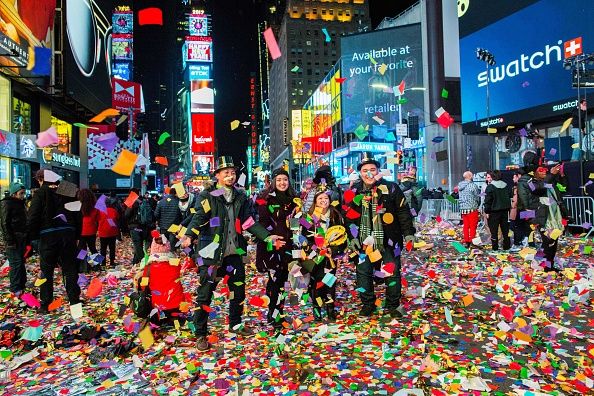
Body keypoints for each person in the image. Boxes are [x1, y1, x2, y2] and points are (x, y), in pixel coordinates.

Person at [180, 156, 285, 351]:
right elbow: (199, 218)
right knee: (205, 293)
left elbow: (248, 222)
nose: (230, 175)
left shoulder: (240, 196)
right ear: (217, 175)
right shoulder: (208, 195)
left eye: (233, 172)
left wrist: (268, 237)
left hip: (233, 252)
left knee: (238, 291)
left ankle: (235, 324)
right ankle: (201, 334)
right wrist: (188, 235)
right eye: (226, 172)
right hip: (210, 252)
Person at [344, 152, 415, 318]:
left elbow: (403, 212)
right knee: (363, 273)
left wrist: (409, 234)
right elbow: (348, 217)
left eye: (372, 170)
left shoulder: (392, 188)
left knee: (392, 272)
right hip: (363, 242)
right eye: (365, 170)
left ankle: (393, 305)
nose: (369, 173)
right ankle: (368, 304)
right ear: (360, 174)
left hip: (389, 240)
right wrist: (352, 237)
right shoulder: (353, 191)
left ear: (378, 171)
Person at [27, 170, 81, 313]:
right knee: (69, 269)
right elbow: (77, 213)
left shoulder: (40, 193)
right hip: (68, 234)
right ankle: (74, 301)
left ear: (41, 179)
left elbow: (33, 216)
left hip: (48, 235)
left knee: (47, 271)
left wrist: (32, 238)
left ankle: (46, 304)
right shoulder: (68, 190)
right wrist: (77, 235)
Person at [255, 168, 299, 330]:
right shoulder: (264, 199)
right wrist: (270, 238)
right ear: (273, 181)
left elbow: (296, 223)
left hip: (289, 245)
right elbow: (262, 222)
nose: (282, 183)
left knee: (283, 281)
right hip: (271, 246)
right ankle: (273, 314)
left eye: (285, 180)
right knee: (274, 281)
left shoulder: (295, 199)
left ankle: (277, 312)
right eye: (279, 179)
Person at [302, 190, 346, 322]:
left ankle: (330, 309)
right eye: (320, 198)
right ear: (315, 201)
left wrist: (333, 249)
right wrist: (315, 248)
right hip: (315, 256)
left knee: (330, 282)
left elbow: (342, 235)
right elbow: (303, 237)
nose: (323, 200)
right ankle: (317, 309)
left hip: (330, 256)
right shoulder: (308, 217)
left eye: (326, 198)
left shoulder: (335, 215)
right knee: (316, 283)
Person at [519, 164, 568, 271]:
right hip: (542, 217)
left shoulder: (550, 182)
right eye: (540, 170)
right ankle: (544, 266)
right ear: (534, 172)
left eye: (545, 170)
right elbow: (538, 189)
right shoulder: (531, 182)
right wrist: (551, 175)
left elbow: (564, 189)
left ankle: (549, 266)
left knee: (553, 242)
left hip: (555, 217)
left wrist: (561, 175)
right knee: (547, 243)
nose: (544, 172)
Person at [136, 233, 185, 325]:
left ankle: (160, 318)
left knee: (146, 289)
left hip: (159, 307)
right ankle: (175, 318)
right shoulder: (176, 264)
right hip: (177, 304)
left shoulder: (150, 267)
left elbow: (143, 286)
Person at [0, 183, 28, 296]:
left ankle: (21, 286)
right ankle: (15, 288)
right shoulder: (6, 203)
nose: (23, 196)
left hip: (21, 237)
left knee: (20, 262)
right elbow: (4, 223)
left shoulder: (20, 204)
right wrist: (10, 240)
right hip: (13, 238)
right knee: (16, 263)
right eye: (21, 193)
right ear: (14, 193)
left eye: (23, 193)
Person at [483, 170, 511, 251]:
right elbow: (509, 196)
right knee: (505, 230)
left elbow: (488, 200)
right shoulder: (505, 185)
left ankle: (495, 248)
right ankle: (507, 246)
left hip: (494, 212)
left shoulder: (490, 187)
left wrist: (487, 211)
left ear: (493, 177)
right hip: (505, 211)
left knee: (494, 231)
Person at [126, 189, 155, 266]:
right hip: (144, 227)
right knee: (139, 244)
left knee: (137, 244)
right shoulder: (144, 201)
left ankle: (143, 262)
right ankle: (135, 262)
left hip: (135, 227)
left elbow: (126, 215)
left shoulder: (132, 201)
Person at [78, 188, 100, 272]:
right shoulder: (94, 207)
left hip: (81, 231)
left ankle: (83, 266)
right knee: (93, 248)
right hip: (92, 230)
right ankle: (96, 266)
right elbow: (97, 219)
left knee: (81, 250)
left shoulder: (78, 207)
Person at [458, 171, 481, 248]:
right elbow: (477, 197)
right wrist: (478, 204)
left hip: (463, 208)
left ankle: (466, 241)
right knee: (473, 226)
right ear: (470, 177)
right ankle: (472, 241)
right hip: (472, 207)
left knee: (466, 226)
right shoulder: (473, 186)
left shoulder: (460, 185)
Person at [98, 198, 120, 268]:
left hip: (102, 232)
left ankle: (103, 264)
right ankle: (112, 262)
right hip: (112, 232)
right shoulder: (114, 210)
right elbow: (117, 218)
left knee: (103, 249)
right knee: (112, 248)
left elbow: (97, 220)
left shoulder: (100, 211)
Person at [509, 170, 524, 248]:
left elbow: (515, 200)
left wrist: (512, 206)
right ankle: (525, 241)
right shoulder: (528, 184)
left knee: (516, 226)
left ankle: (517, 242)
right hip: (527, 209)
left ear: (518, 176)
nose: (513, 179)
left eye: (514, 177)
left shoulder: (518, 187)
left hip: (519, 209)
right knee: (524, 226)